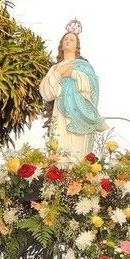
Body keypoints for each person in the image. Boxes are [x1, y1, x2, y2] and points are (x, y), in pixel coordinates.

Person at [39, 22, 107, 157]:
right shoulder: (54, 69)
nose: (68, 41)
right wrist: (59, 74)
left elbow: (93, 85)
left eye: (72, 39)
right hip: (60, 114)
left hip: (80, 116)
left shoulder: (83, 66)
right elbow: (46, 92)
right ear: (61, 45)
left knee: (78, 153)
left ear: (77, 46)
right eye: (66, 39)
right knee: (60, 149)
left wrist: (73, 74)